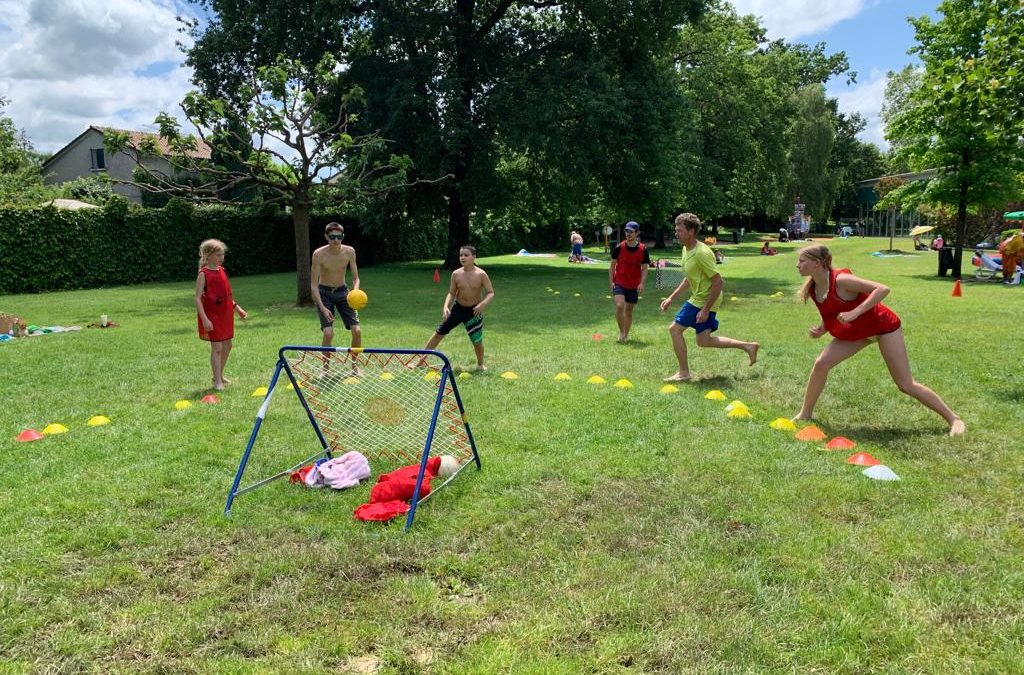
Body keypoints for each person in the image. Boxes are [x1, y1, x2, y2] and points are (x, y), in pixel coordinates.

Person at [792, 245, 965, 436]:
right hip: (857, 331)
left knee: (905, 384)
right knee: (821, 364)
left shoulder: (841, 280)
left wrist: (854, 313)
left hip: (882, 327)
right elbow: (832, 310)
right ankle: (805, 414)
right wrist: (822, 329)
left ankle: (953, 419)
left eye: (801, 261)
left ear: (817, 263)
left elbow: (882, 289)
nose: (797, 265)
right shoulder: (815, 286)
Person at [660, 213, 759, 382]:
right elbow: (689, 278)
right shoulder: (686, 249)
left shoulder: (701, 253)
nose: (676, 233)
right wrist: (671, 297)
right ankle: (748, 346)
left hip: (703, 299)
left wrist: (705, 309)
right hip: (700, 298)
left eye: (680, 230)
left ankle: (683, 372)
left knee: (674, 330)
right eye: (676, 230)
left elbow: (718, 282)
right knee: (704, 341)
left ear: (691, 231)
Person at [423, 245, 494, 370]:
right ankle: (421, 361)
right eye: (461, 255)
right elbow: (451, 293)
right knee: (439, 333)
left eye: (466, 255)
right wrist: (446, 307)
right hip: (458, 309)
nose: (463, 257)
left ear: (474, 257)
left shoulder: (481, 274)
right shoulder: (456, 274)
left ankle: (480, 365)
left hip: (473, 311)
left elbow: (490, 292)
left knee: (477, 341)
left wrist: (482, 304)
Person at [195, 238, 247, 390]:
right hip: (211, 316)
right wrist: (205, 319)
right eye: (218, 255)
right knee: (217, 348)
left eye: (222, 255)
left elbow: (226, 296)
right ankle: (217, 381)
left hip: (225, 315)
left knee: (228, 345)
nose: (221, 258)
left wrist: (237, 308)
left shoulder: (222, 271)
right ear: (208, 255)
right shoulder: (203, 274)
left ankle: (219, 375)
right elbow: (197, 298)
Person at [311, 222, 362, 353]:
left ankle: (355, 367)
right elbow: (313, 285)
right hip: (324, 293)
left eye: (339, 237)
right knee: (328, 333)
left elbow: (356, 278)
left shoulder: (349, 251)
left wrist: (355, 292)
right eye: (332, 237)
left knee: (357, 331)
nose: (336, 240)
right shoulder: (318, 254)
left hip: (343, 292)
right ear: (326, 237)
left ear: (343, 236)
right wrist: (322, 307)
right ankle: (326, 369)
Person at [609, 221, 651, 343]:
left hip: (634, 285)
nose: (628, 234)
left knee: (628, 311)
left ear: (637, 233)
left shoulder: (643, 249)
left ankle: (626, 335)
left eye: (631, 231)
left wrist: (642, 283)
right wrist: (611, 282)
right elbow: (612, 266)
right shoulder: (619, 247)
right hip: (619, 282)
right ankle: (621, 332)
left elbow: (645, 268)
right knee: (620, 305)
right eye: (626, 231)